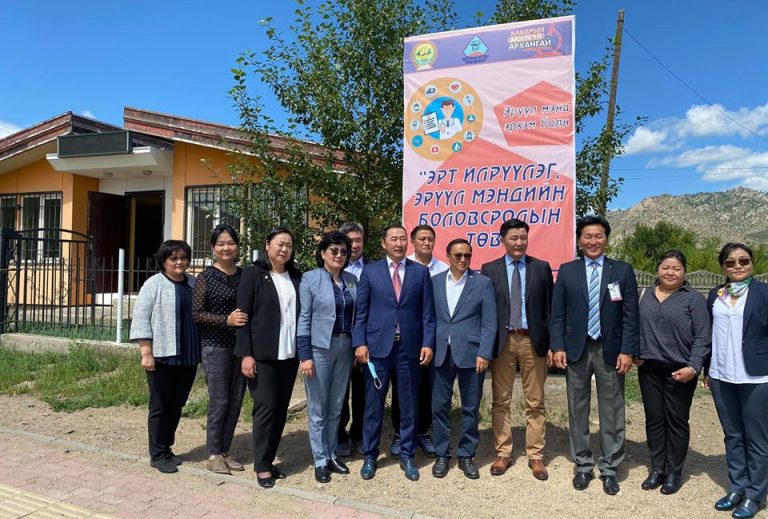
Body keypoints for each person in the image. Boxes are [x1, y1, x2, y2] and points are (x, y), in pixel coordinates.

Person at [551, 215, 639, 495]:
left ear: (606, 239)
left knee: (612, 409)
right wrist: (558, 346)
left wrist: (628, 350)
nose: (593, 241)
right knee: (577, 408)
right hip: (576, 349)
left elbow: (630, 315)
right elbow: (557, 313)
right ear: (579, 240)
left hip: (610, 350)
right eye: (587, 236)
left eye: (598, 236)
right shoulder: (568, 271)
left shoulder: (622, 270)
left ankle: (610, 468)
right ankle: (583, 465)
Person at [353, 224, 436, 481]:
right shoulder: (370, 271)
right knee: (373, 405)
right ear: (384, 243)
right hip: (377, 349)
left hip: (409, 349)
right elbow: (361, 312)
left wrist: (428, 343)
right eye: (394, 239)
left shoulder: (420, 272)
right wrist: (360, 343)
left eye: (402, 239)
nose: (399, 243)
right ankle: (370, 455)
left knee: (409, 405)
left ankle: (407, 455)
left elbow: (428, 314)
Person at [481, 218, 554, 480]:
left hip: (533, 341)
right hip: (503, 342)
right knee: (501, 400)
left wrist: (552, 345)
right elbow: (486, 310)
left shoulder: (541, 268)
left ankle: (536, 455)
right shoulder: (489, 269)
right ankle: (503, 452)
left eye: (523, 237)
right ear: (503, 240)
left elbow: (550, 309)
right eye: (514, 238)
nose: (519, 242)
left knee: (536, 401)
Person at [635, 250, 710, 495]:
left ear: (684, 272)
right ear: (658, 269)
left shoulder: (693, 299)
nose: (670, 272)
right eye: (666, 267)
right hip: (649, 368)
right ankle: (658, 468)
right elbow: (636, 327)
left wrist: (693, 367)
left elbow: (703, 336)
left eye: (676, 268)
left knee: (676, 420)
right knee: (654, 418)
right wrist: (635, 351)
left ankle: (674, 472)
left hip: (681, 369)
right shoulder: (645, 294)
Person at [235, 228, 301, 488]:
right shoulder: (253, 274)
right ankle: (261, 466)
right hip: (262, 355)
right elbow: (243, 316)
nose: (284, 249)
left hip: (289, 354)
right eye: (280, 244)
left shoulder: (296, 276)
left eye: (289, 245)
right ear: (267, 245)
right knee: (266, 408)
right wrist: (246, 355)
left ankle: (269, 459)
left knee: (280, 409)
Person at [706, 243, 768, 519]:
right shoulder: (715, 294)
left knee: (757, 438)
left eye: (744, 261)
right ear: (723, 267)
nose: (738, 266)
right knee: (732, 434)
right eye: (730, 262)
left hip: (756, 376)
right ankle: (737, 487)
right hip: (721, 374)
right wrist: (707, 369)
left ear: (752, 263)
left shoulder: (764, 293)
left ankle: (754, 494)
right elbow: (710, 333)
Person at [130, 240, 199, 474]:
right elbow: (141, 318)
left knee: (177, 404)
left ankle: (167, 447)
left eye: (183, 257)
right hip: (162, 356)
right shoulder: (154, 284)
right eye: (173, 258)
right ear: (164, 261)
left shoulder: (193, 283)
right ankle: (157, 454)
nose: (179, 262)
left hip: (188, 355)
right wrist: (146, 352)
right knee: (160, 405)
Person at [431, 239, 496, 479]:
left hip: (472, 354)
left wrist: (484, 352)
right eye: (458, 255)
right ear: (448, 255)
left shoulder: (482, 283)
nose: (462, 259)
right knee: (439, 407)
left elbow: (489, 322)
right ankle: (441, 454)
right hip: (441, 353)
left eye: (467, 255)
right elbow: (429, 318)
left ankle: (466, 455)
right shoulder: (435, 282)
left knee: (470, 408)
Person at [297, 232, 357, 483]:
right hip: (319, 348)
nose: (339, 255)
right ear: (323, 253)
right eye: (334, 250)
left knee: (337, 404)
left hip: (346, 347)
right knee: (318, 406)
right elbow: (304, 318)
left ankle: (332, 453)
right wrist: (305, 356)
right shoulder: (310, 278)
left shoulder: (352, 280)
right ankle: (320, 459)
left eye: (343, 251)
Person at [192, 224, 249, 475]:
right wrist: (226, 320)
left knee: (235, 400)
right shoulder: (206, 277)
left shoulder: (245, 275)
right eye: (221, 244)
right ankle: (213, 454)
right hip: (215, 347)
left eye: (231, 243)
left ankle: (225, 451)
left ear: (237, 246)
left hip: (240, 347)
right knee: (220, 400)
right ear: (213, 248)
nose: (226, 248)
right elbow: (197, 314)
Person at [389, 224, 447, 457]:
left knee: (426, 388)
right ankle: (399, 433)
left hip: (431, 339)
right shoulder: (404, 266)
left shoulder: (443, 268)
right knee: (401, 389)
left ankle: (422, 431)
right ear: (412, 242)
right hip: (404, 340)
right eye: (422, 239)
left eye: (430, 239)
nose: (426, 242)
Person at [336, 221, 367, 457]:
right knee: (338, 391)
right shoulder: (333, 268)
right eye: (350, 241)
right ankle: (340, 434)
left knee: (363, 391)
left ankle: (359, 433)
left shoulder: (375, 269)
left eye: (358, 240)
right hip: (339, 340)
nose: (354, 245)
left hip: (365, 341)